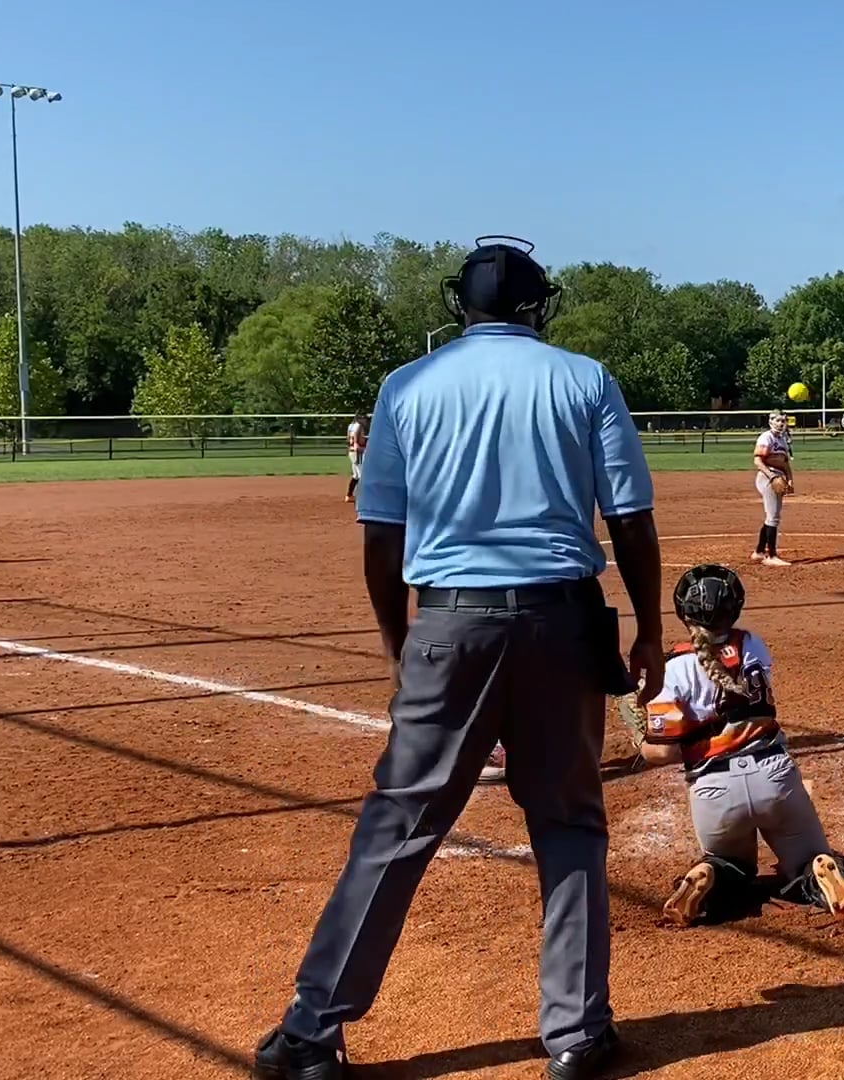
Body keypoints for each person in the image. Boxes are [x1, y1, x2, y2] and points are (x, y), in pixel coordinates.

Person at [253, 236, 665, 1080]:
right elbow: (629, 518)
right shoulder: (585, 379)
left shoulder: (407, 386)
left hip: (450, 624)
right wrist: (651, 630)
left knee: (397, 824)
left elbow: (382, 535)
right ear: (537, 306)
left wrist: (397, 644)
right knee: (569, 823)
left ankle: (310, 1034)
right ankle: (577, 1034)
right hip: (562, 623)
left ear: (462, 305)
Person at [638, 564, 844, 926]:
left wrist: (642, 737)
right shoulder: (752, 644)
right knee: (805, 862)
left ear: (682, 612)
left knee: (734, 868)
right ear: (734, 609)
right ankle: (818, 872)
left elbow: (662, 752)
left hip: (714, 790)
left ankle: (710, 873)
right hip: (774, 776)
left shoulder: (672, 669)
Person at [752, 411, 794, 567]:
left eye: (783, 421)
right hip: (768, 477)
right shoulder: (766, 437)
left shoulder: (782, 439)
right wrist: (771, 476)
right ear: (770, 422)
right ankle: (771, 556)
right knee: (773, 517)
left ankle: (759, 552)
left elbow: (785, 463)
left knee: (772, 516)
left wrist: (790, 479)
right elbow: (758, 461)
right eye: (777, 420)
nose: (781, 423)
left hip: (779, 478)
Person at [344, 413, 368, 502]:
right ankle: (363, 497)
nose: (365, 421)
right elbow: (356, 445)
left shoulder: (351, 426)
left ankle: (349, 495)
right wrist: (365, 449)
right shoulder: (359, 427)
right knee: (362, 476)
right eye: (364, 418)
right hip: (357, 453)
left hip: (351, 452)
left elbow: (348, 440)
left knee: (356, 475)